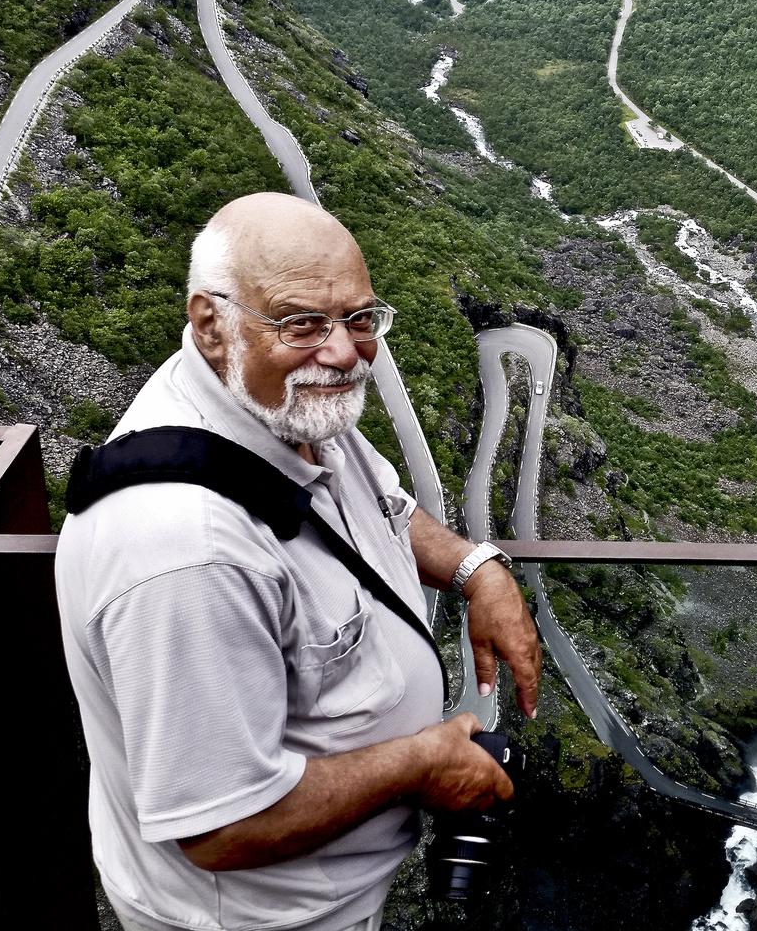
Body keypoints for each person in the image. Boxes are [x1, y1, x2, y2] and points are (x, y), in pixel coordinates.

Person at [55, 192, 542, 931]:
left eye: (360, 318)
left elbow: (383, 508)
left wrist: (478, 569)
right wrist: (421, 764)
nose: (343, 351)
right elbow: (221, 828)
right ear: (210, 323)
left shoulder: (280, 403)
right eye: (301, 322)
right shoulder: (188, 553)